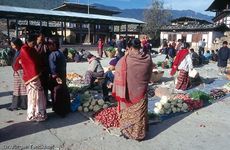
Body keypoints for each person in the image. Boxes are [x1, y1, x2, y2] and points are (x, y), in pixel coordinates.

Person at [112, 38, 153, 140]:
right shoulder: (148, 58)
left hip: (127, 93)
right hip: (141, 91)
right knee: (139, 114)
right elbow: (148, 75)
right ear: (139, 47)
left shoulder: (124, 61)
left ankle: (127, 132)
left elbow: (117, 73)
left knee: (127, 113)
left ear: (129, 48)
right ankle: (139, 134)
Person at [17, 34, 47, 121]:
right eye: (33, 43)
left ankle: (40, 114)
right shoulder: (24, 49)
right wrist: (37, 70)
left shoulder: (32, 49)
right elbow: (31, 64)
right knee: (32, 96)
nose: (34, 45)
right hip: (31, 76)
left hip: (36, 75)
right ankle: (32, 115)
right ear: (28, 41)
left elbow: (37, 59)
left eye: (35, 43)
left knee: (39, 96)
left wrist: (40, 67)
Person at [48, 37, 70, 117]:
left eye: (49, 45)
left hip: (56, 77)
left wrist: (54, 76)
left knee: (56, 93)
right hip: (62, 75)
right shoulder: (60, 53)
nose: (48, 47)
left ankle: (59, 111)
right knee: (62, 92)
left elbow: (53, 68)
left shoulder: (53, 54)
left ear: (54, 45)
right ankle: (65, 109)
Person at [7, 38, 27, 111]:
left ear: (18, 44)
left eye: (13, 45)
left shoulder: (22, 50)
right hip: (17, 72)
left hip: (21, 72)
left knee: (23, 89)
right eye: (11, 45)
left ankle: (23, 105)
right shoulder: (16, 50)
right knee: (17, 89)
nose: (13, 46)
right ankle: (17, 105)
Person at [34, 31, 50, 107]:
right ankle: (38, 102)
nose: (43, 38)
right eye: (41, 37)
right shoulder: (34, 45)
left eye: (44, 37)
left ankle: (45, 100)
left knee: (45, 86)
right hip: (36, 69)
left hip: (45, 69)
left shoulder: (45, 46)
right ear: (37, 37)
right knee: (37, 86)